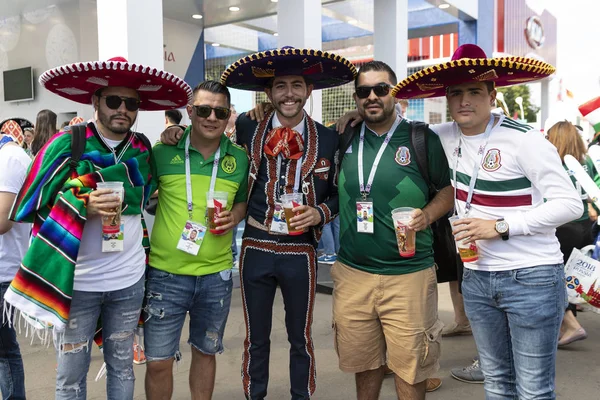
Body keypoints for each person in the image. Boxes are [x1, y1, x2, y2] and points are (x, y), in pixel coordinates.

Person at [161, 47, 354, 399]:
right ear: (269, 93)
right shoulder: (249, 125)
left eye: (297, 85)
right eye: (281, 86)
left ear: (309, 91)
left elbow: (341, 194)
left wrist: (321, 213)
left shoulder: (329, 137)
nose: (290, 94)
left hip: (300, 249)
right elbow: (206, 135)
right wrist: (174, 134)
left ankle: (302, 396)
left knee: (301, 336)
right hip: (256, 244)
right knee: (256, 337)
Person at [392, 43, 582, 399]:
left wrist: (501, 226)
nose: (465, 100)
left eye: (475, 92)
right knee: (495, 384)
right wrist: (350, 120)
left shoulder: (525, 140)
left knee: (534, 390)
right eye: (456, 93)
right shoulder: (443, 136)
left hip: (532, 277)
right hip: (477, 278)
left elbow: (570, 204)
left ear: (492, 95)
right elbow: (393, 130)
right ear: (448, 99)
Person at [4, 56, 191, 399]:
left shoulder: (142, 148)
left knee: (122, 369)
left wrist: (176, 132)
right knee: (71, 376)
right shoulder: (67, 144)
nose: (123, 109)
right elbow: (30, 203)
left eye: (131, 103)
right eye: (114, 101)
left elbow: (148, 197)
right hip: (79, 283)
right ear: (96, 101)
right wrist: (80, 203)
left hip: (129, 281)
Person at [328, 60, 452, 400]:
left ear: (394, 94)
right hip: (353, 273)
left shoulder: (419, 137)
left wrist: (426, 215)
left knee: (411, 366)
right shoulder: (345, 136)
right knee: (364, 362)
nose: (372, 96)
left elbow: (446, 191)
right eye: (364, 91)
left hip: (409, 275)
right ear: (356, 98)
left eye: (381, 89)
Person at [144, 80, 249, 400]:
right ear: (190, 112)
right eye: (203, 110)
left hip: (215, 276)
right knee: (158, 362)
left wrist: (236, 216)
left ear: (229, 114)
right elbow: (140, 199)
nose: (211, 117)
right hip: (165, 274)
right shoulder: (161, 152)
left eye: (219, 111)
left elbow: (242, 201)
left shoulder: (239, 159)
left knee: (206, 352)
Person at [546, 120, 594, 346]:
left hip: (562, 225)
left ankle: (571, 325)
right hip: (584, 224)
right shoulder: (586, 162)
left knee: (553, 278)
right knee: (571, 276)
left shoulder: (555, 164)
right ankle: (563, 325)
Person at [0, 132, 31, 400]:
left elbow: (3, 221)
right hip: (7, 266)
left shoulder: (9, 158)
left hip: (4, 270)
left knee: (4, 352)